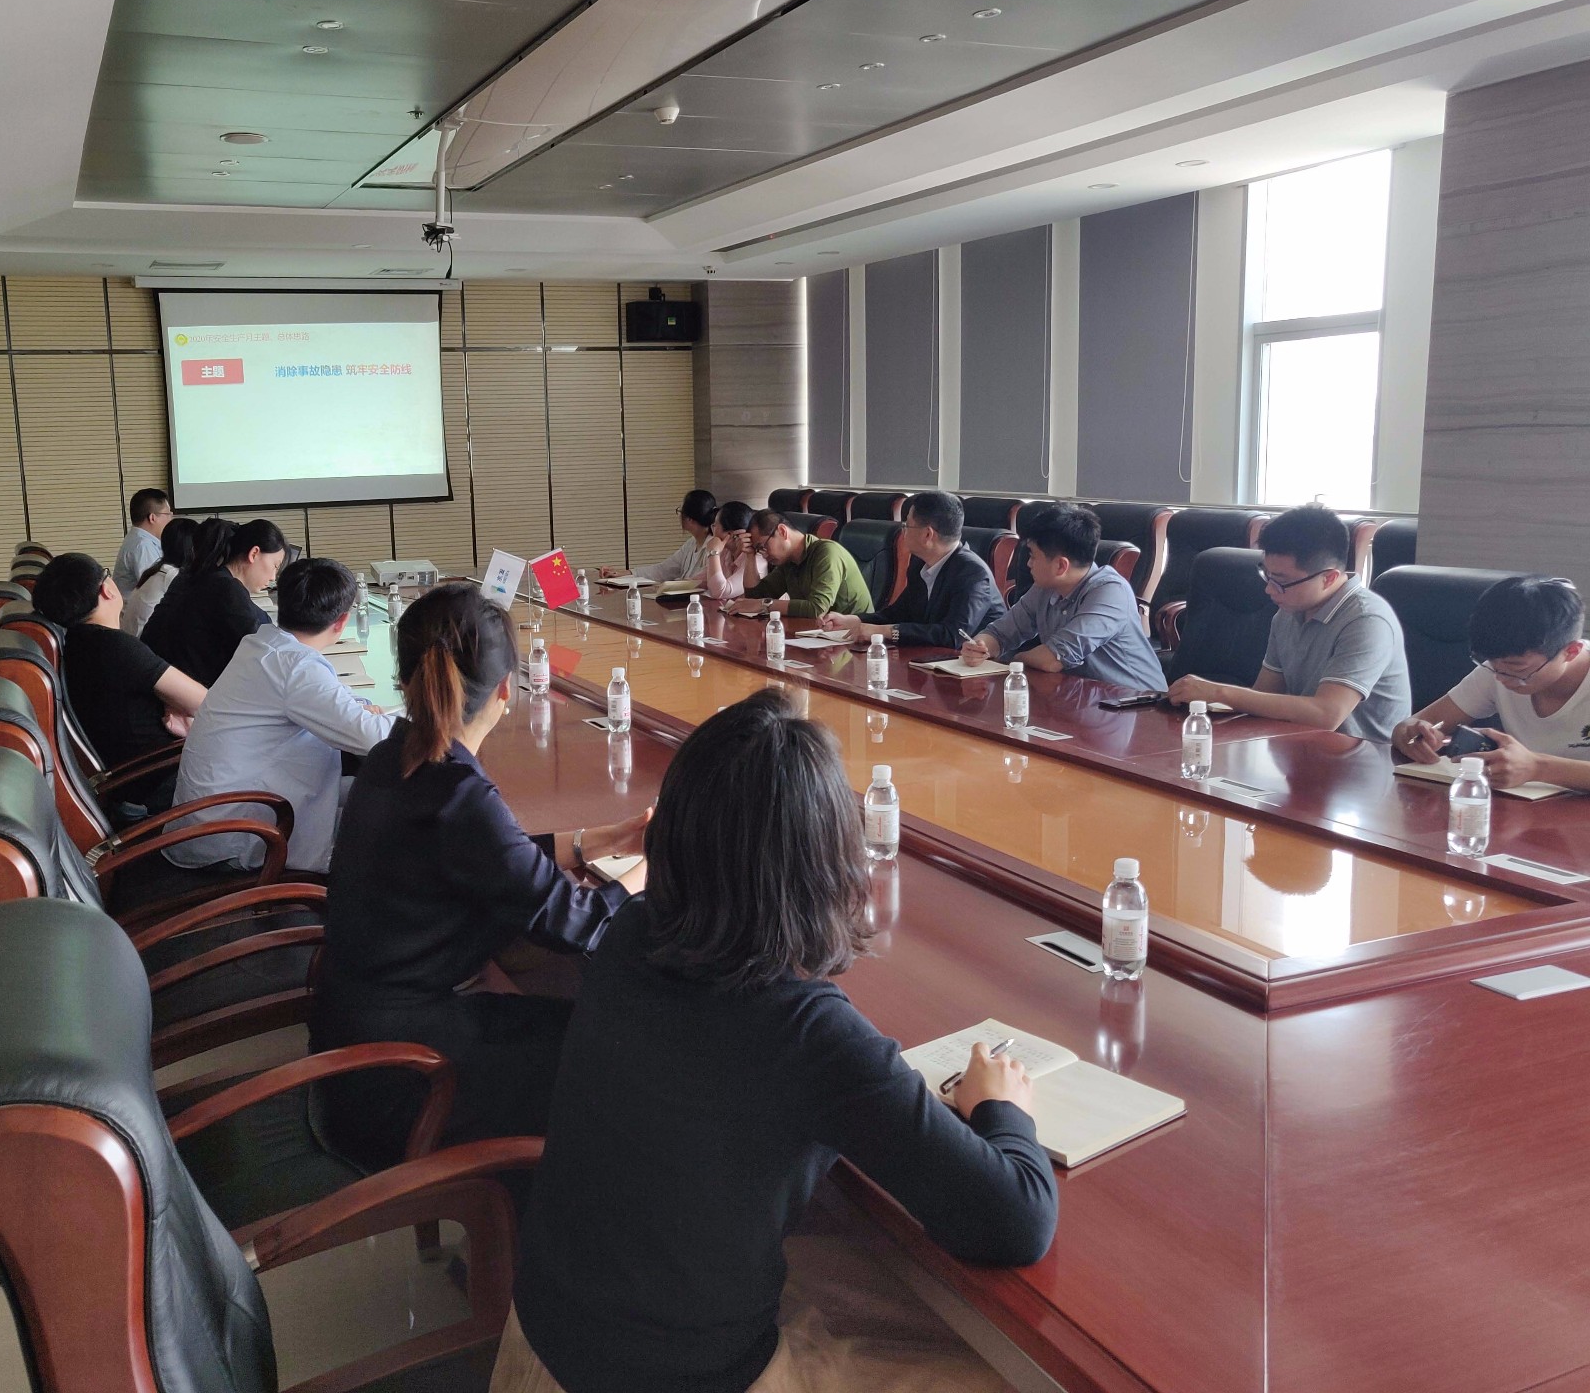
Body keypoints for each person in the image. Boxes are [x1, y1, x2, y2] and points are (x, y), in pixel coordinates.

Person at [495, 689, 1057, 1393]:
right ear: (828, 861)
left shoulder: (631, 932)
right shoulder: (807, 1032)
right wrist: (1004, 1109)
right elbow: (1015, 1220)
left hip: (542, 1336)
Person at [313, 583, 651, 1169]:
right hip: (401, 1079)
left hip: (355, 1037)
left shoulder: (397, 754)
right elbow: (581, 924)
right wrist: (653, 864)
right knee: (611, 1050)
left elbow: (495, 859)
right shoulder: (459, 792)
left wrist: (604, 839)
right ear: (505, 689)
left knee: (564, 1016)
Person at [164, 557, 396, 875]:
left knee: (372, 792)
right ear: (342, 621)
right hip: (235, 836)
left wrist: (357, 707)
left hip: (217, 816)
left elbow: (322, 697)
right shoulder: (295, 666)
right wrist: (436, 717)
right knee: (395, 824)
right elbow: (372, 737)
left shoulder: (264, 645)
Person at [1167, 505, 1409, 741]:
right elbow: (1263, 695)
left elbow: (1326, 715)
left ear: (1328, 578)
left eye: (1281, 581)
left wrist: (1220, 692)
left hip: (1363, 758)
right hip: (1300, 747)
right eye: (1267, 575)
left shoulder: (1366, 620)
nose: (1269, 589)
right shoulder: (1288, 612)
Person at [1393, 576, 1590, 789]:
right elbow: (1413, 724)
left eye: (1518, 669)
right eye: (1492, 664)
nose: (1501, 677)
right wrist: (1412, 735)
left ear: (1571, 651)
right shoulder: (1499, 669)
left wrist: (1538, 767)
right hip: (1524, 803)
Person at [28, 552, 206, 778]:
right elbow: (205, 703)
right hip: (165, 777)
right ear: (106, 589)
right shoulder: (114, 647)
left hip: (140, 772)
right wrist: (174, 703)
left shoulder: (77, 642)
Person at [962, 501, 1165, 690]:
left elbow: (1052, 659)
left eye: (1033, 556)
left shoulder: (1111, 592)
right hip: (1081, 695)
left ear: (1061, 566)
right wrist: (980, 647)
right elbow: (1001, 633)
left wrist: (1015, 660)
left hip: (1137, 701)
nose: (1028, 564)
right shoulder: (1045, 587)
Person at [818, 492, 1005, 648]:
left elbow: (954, 636)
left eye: (907, 525)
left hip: (981, 670)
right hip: (933, 661)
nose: (903, 531)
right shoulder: (920, 564)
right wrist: (855, 620)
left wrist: (884, 631)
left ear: (927, 534)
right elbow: (898, 613)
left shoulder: (973, 574)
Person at [142, 517, 287, 686]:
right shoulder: (225, 589)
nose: (273, 577)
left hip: (155, 685)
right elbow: (262, 653)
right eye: (275, 566)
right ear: (254, 553)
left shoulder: (193, 577)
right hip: (178, 694)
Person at [724, 509, 874, 619]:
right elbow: (754, 598)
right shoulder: (788, 562)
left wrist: (765, 604)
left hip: (854, 639)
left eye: (763, 546)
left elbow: (817, 609)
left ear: (782, 531)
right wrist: (750, 556)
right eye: (758, 550)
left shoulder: (827, 552)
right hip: (819, 635)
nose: (764, 554)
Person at [599, 489, 717, 584]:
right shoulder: (691, 543)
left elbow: (700, 582)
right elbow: (664, 570)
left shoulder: (714, 547)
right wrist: (626, 573)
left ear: (690, 519)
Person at [120, 516, 196, 637]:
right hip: (143, 644)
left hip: (134, 641)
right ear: (191, 548)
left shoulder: (158, 571)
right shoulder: (172, 576)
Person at [700, 500, 768, 603]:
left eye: (715, 525)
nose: (712, 530)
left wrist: (713, 553)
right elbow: (702, 580)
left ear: (730, 534)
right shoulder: (725, 552)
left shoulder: (756, 559)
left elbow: (719, 591)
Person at [113, 487, 173, 598]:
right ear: (152, 518)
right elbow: (155, 588)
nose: (170, 519)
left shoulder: (140, 539)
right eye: (168, 514)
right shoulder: (142, 545)